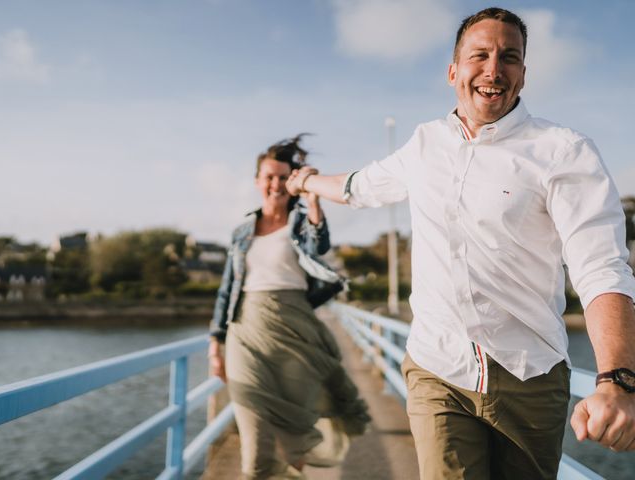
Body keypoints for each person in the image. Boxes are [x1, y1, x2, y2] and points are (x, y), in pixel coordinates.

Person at [286, 7, 635, 480]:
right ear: (454, 71)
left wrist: (617, 379)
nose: (494, 70)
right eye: (480, 55)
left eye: (509, 57)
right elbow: (359, 186)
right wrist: (306, 181)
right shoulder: (424, 143)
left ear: (524, 75)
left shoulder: (562, 151)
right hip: (437, 366)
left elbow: (601, 268)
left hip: (529, 377)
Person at [209, 134, 370, 480]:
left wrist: (312, 200)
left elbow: (318, 243)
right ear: (257, 182)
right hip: (245, 332)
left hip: (294, 331)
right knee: (253, 428)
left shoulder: (300, 222)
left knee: (295, 430)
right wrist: (215, 345)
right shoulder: (241, 232)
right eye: (269, 177)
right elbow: (226, 290)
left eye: (284, 177)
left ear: (292, 181)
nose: (276, 184)